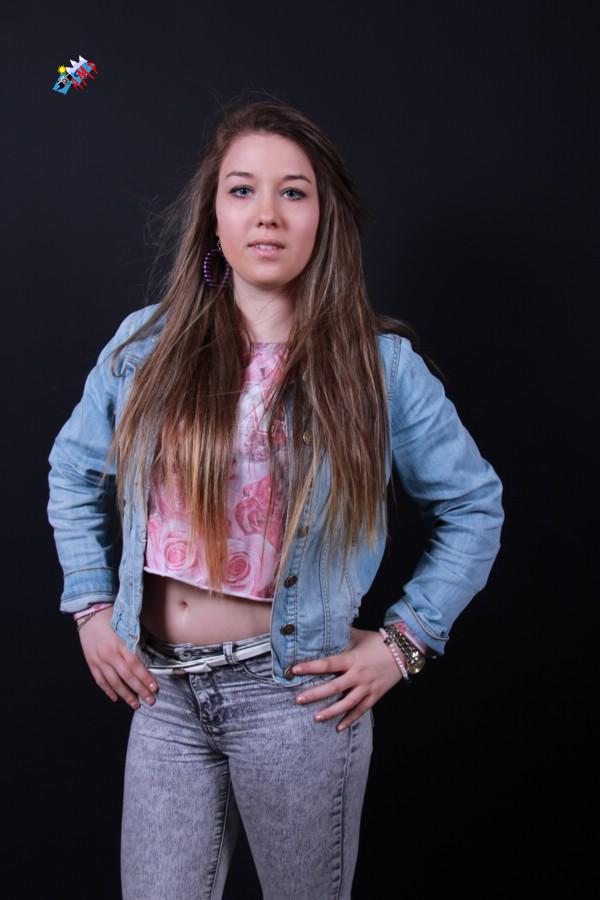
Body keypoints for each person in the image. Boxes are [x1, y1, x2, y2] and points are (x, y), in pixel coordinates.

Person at [46, 99, 505, 900]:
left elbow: (474, 507)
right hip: (164, 696)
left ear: (325, 219)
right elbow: (73, 472)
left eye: (293, 192)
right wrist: (90, 605)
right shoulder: (144, 347)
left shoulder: (379, 368)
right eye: (242, 190)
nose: (267, 213)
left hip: (294, 699)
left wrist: (404, 644)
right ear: (213, 216)